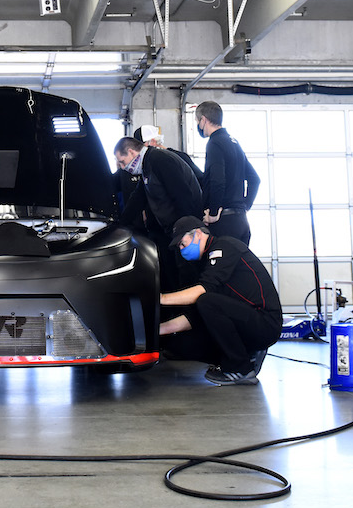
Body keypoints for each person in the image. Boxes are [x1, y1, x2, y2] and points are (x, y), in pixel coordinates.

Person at [159, 215, 282, 386]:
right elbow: (195, 315)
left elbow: (203, 294)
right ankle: (246, 355)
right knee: (179, 346)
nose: (181, 249)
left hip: (265, 323)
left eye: (182, 243)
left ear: (198, 234)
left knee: (206, 300)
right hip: (245, 321)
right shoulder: (205, 262)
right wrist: (157, 331)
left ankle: (241, 368)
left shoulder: (224, 247)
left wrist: (161, 299)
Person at [194, 101, 260, 245]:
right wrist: (244, 206)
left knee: (220, 267)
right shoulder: (234, 142)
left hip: (224, 223)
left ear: (204, 120)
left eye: (198, 122)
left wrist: (212, 213)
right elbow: (255, 179)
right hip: (241, 222)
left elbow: (217, 180)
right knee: (240, 266)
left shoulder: (214, 143)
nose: (198, 126)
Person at [112, 136, 201, 238]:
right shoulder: (146, 165)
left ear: (131, 152)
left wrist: (186, 230)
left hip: (185, 228)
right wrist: (120, 224)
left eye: (122, 162)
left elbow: (182, 196)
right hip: (171, 227)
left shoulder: (159, 160)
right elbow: (138, 198)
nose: (123, 167)